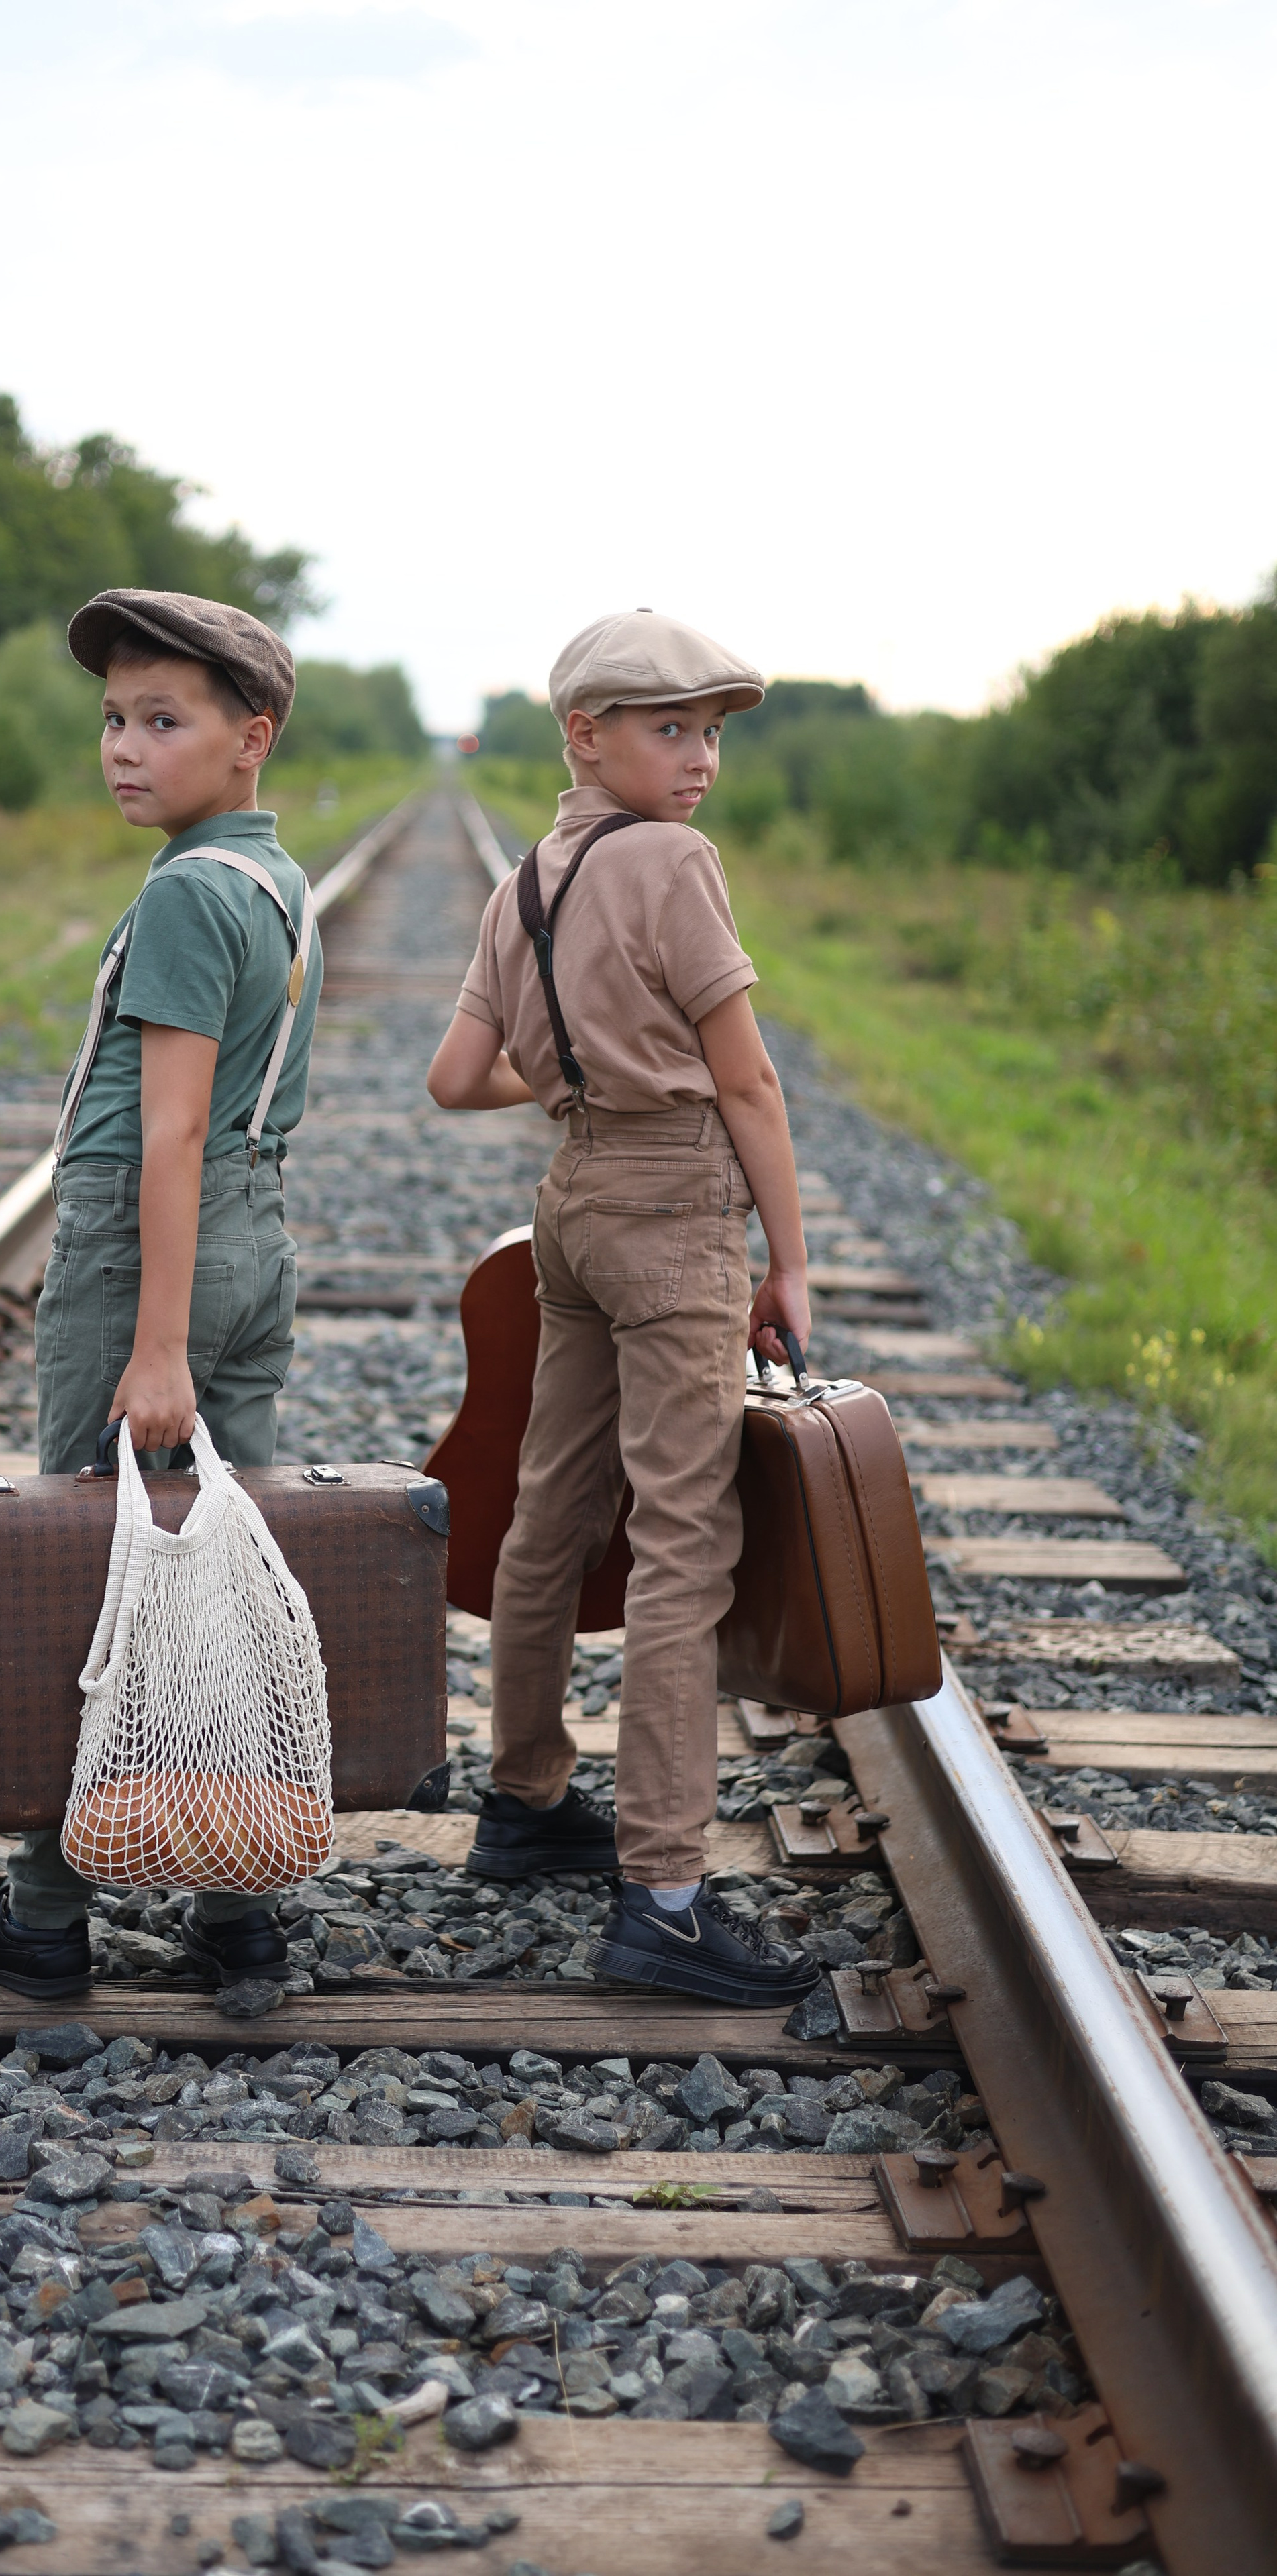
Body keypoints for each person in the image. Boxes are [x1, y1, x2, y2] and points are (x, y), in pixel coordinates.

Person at [426, 608, 821, 2006]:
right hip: (665, 1216)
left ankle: (524, 1797)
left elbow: (453, 1077)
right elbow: (749, 1081)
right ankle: (659, 1895)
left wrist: (572, 1077)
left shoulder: (523, 882)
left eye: (710, 729)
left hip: (572, 1207)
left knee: (551, 1510)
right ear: (582, 734)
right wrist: (786, 1256)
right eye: (669, 727)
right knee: (680, 1543)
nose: (699, 756)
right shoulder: (672, 865)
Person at [0, 589, 319, 2001]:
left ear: (250, 738)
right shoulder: (274, 885)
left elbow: (165, 1130)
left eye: (164, 721)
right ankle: (236, 1906)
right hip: (252, 1246)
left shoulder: (181, 894)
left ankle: (43, 1914)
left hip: (144, 1258)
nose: (124, 748)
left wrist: (152, 1344)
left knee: (80, 1561)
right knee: (227, 1555)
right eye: (113, 718)